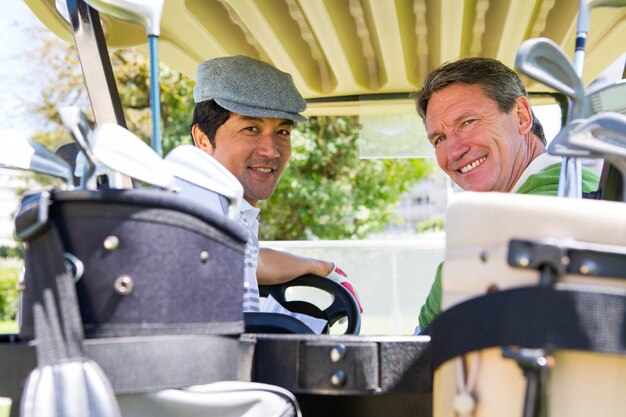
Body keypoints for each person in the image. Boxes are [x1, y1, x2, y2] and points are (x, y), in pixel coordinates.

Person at [412, 57, 599, 331]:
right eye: (440, 139)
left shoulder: (561, 199)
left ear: (522, 116)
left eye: (468, 122)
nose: (454, 151)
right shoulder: (492, 220)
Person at [189, 55, 362, 315]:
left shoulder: (229, 208)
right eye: (251, 129)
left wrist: (324, 267)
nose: (272, 151)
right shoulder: (199, 215)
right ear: (203, 139)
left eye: (282, 132)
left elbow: (253, 261)